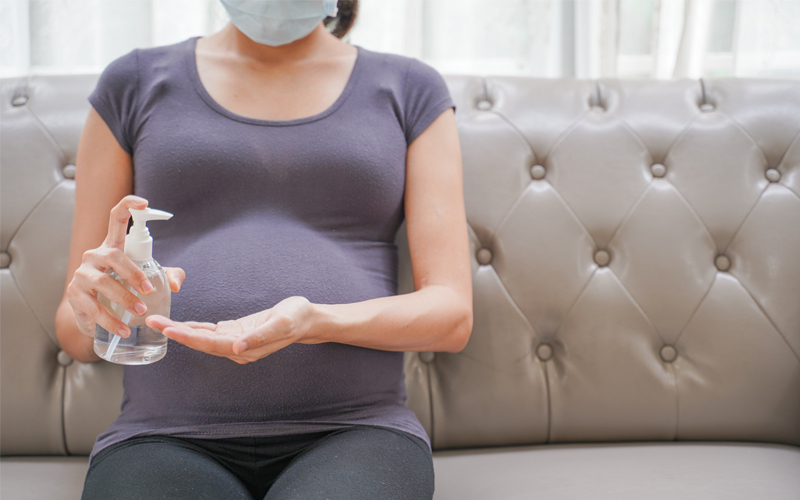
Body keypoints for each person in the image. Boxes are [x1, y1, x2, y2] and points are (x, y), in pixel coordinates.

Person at [55, 1, 472, 498]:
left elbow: (451, 315)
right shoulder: (133, 82)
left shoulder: (410, 88)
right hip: (161, 436)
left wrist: (317, 322)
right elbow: (74, 334)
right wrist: (93, 307)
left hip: (356, 431)